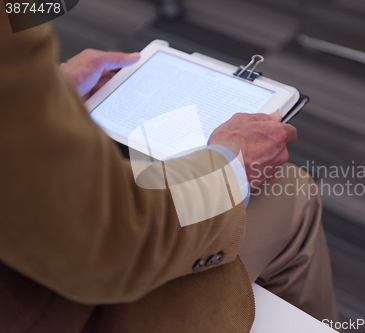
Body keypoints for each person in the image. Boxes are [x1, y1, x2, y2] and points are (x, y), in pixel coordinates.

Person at [0, 12, 336, 333]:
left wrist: (39, 99)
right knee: (290, 187)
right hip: (58, 310)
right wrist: (232, 167)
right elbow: (108, 238)